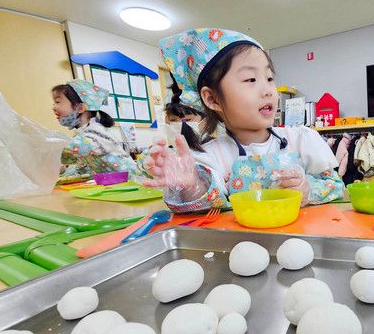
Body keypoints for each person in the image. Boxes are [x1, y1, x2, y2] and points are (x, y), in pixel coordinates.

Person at [144, 28, 344, 212]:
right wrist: (191, 186)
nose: (268, 90)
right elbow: (206, 205)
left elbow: (334, 185)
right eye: (250, 80)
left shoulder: (300, 139)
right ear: (213, 99)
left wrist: (308, 189)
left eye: (269, 78)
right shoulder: (211, 157)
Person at [52, 79, 141, 177]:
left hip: (133, 181)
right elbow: (78, 164)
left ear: (80, 108)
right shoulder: (82, 133)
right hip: (115, 184)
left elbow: (78, 148)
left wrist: (45, 146)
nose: (53, 107)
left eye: (57, 102)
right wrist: (63, 170)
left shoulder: (97, 131)